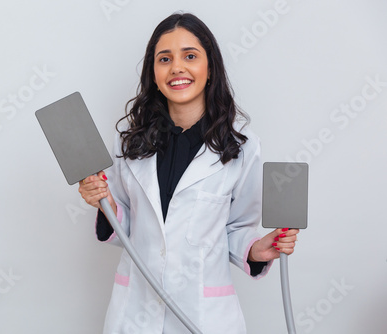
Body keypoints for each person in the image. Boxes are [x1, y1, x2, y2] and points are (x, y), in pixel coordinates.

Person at [78, 12, 299, 334]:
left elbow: (237, 226)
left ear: (210, 69)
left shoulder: (242, 146)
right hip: (135, 311)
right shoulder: (128, 139)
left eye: (190, 56)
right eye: (164, 58)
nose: (177, 68)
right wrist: (104, 202)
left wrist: (254, 249)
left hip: (204, 315)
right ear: (153, 73)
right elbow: (126, 225)